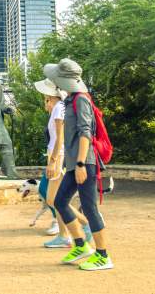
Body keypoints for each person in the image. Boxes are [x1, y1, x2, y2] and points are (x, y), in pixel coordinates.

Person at [44, 58, 113, 271]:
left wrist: (82, 163)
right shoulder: (69, 100)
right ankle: (81, 245)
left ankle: (103, 256)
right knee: (60, 201)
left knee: (90, 208)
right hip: (75, 163)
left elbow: (85, 133)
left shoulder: (81, 99)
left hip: (85, 162)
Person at [34, 79, 93, 249]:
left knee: (54, 199)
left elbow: (60, 138)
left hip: (58, 157)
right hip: (56, 156)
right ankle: (63, 234)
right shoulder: (58, 107)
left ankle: (84, 224)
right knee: (55, 199)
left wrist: (53, 162)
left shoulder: (60, 107)